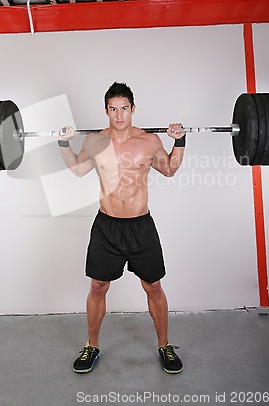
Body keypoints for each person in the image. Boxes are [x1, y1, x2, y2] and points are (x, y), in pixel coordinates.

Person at [58, 82, 186, 374]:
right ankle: (92, 346)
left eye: (124, 109)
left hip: (141, 225)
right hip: (107, 225)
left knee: (153, 286)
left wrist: (179, 141)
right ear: (106, 111)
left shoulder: (150, 141)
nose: (119, 115)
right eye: (113, 109)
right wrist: (64, 143)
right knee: (98, 286)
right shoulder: (94, 141)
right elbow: (78, 169)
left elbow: (168, 169)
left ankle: (164, 345)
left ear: (133, 109)